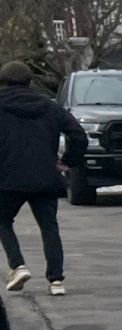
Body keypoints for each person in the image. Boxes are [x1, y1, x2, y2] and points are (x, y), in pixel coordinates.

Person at [0, 60, 87, 296]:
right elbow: (78, 135)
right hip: (45, 176)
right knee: (49, 227)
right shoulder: (48, 107)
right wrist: (68, 161)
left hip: (8, 178)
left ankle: (18, 265)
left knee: (3, 220)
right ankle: (56, 280)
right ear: (30, 81)